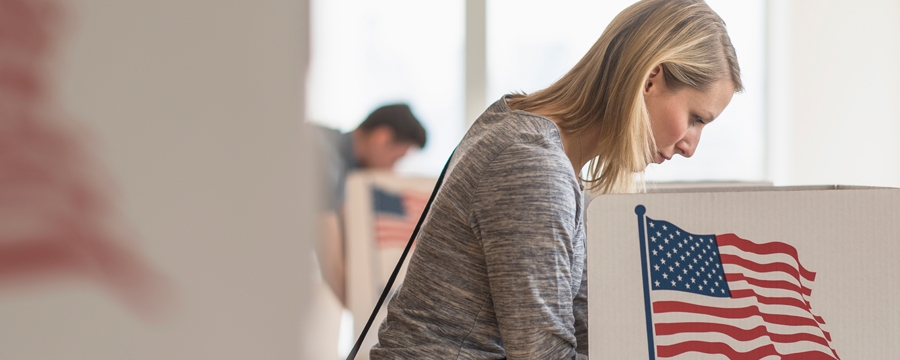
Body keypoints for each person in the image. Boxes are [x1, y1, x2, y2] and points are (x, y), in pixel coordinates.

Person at [369, 0, 742, 358]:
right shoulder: (533, 166)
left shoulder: (528, 133)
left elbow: (579, 329)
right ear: (650, 79)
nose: (691, 146)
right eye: (696, 118)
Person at [314, 103, 427, 304]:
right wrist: (370, 316)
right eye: (396, 158)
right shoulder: (328, 161)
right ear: (381, 138)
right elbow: (331, 265)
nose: (392, 170)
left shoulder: (329, 146)